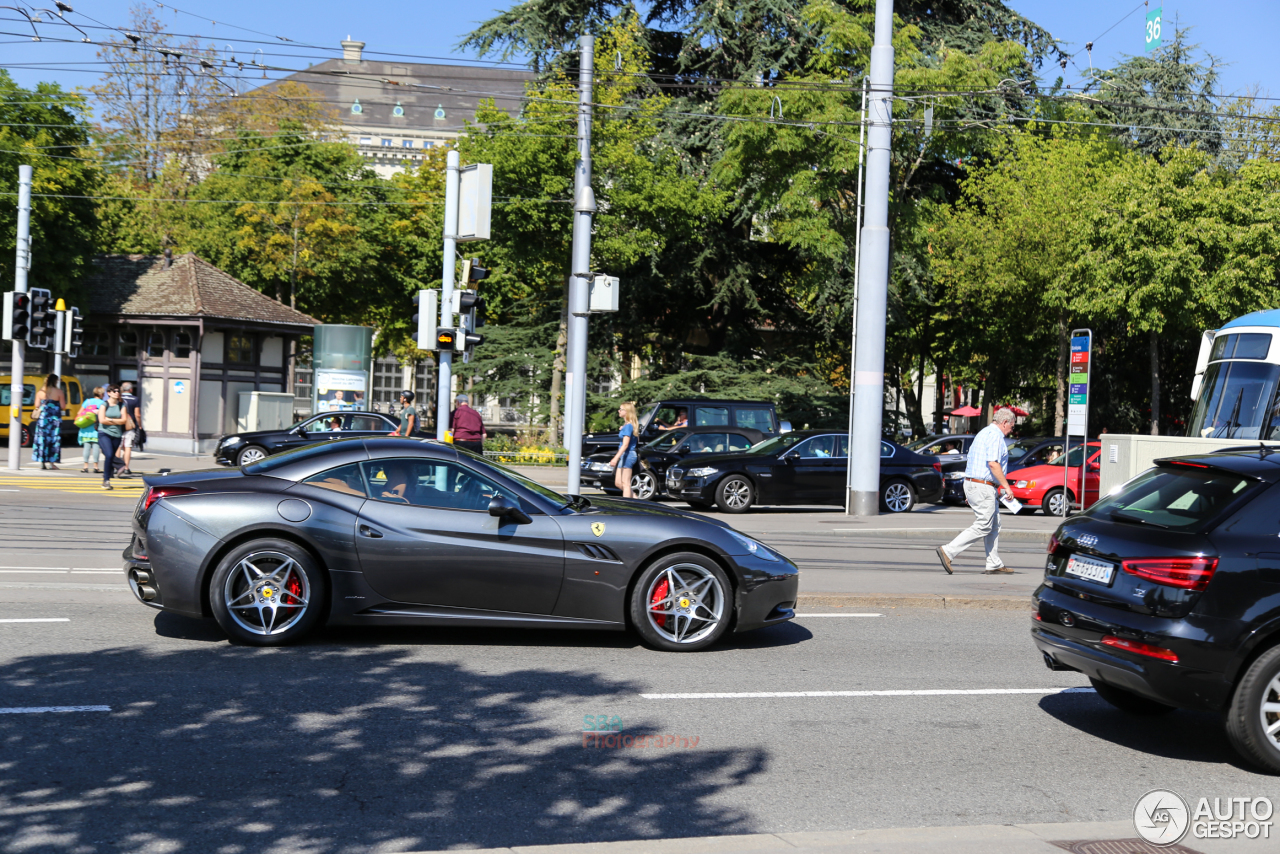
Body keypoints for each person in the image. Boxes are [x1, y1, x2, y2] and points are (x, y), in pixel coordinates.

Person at [936, 408, 1017, 575]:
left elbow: (973, 461)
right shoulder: (995, 436)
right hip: (983, 485)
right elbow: (993, 464)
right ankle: (948, 551)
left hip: (976, 483)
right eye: (1012, 426)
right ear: (1005, 423)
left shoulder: (982, 433)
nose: (1012, 430)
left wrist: (971, 489)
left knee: (994, 524)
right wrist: (1006, 486)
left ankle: (993, 563)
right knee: (984, 525)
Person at [96, 385, 128, 490]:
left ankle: (108, 475)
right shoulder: (104, 405)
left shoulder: (122, 405)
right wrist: (116, 421)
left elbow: (124, 420)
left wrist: (110, 419)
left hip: (117, 435)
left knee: (109, 457)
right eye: (114, 391)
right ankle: (106, 480)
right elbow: (102, 420)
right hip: (104, 433)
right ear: (109, 393)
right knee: (109, 455)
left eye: (118, 391)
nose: (117, 393)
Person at [32, 373, 64, 470]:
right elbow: (63, 406)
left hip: (43, 420)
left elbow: (37, 405)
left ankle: (42, 462)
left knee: (42, 440)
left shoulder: (40, 392)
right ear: (55, 381)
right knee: (54, 440)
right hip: (54, 420)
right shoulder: (59, 392)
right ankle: (52, 463)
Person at [609, 402, 641, 498]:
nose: (619, 411)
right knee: (618, 483)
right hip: (625, 455)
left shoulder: (628, 426)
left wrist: (615, 458)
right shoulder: (628, 426)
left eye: (621, 409)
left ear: (626, 412)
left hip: (628, 455)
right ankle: (636, 500)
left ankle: (627, 506)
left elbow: (625, 444)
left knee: (626, 484)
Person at [79, 386, 104, 473]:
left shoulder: (87, 401)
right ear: (101, 394)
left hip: (86, 428)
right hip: (96, 428)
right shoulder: (102, 403)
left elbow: (79, 413)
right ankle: (95, 467)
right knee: (96, 448)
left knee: (86, 448)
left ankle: (85, 467)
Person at [118, 381, 141, 476]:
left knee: (118, 447)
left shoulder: (118, 398)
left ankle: (117, 467)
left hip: (118, 424)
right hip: (129, 426)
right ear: (131, 389)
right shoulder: (135, 399)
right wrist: (139, 425)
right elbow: (137, 414)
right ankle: (126, 467)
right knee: (128, 447)